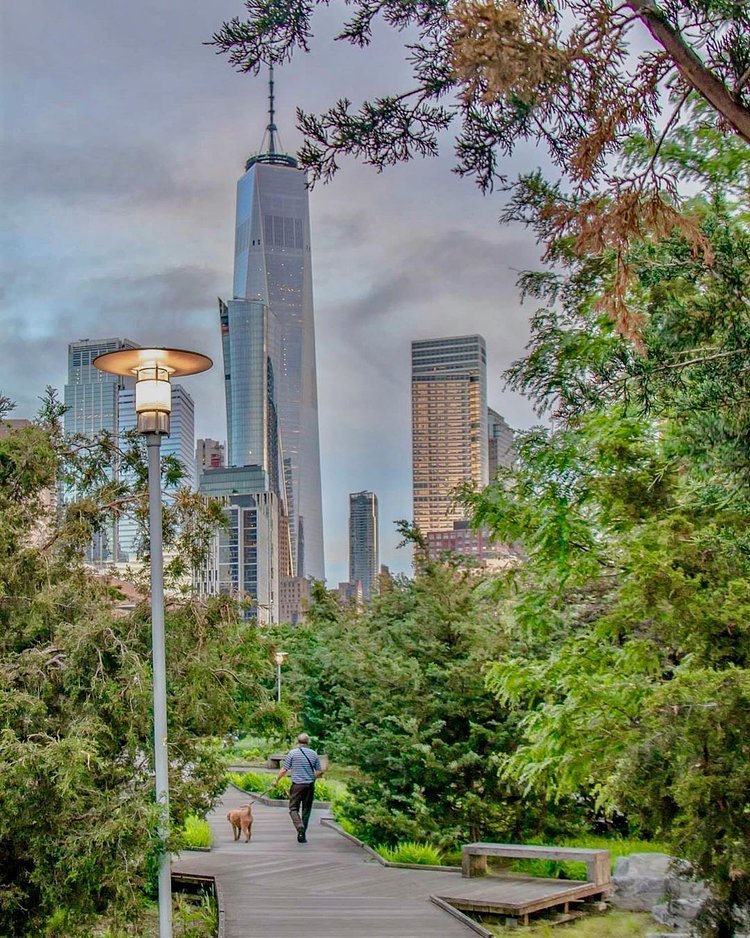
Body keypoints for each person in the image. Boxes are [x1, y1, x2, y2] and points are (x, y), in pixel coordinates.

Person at [276, 733, 323, 843]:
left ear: (298, 742)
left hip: (297, 785)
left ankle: (299, 826)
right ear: (308, 742)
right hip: (309, 786)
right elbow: (319, 772)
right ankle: (302, 835)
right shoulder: (314, 754)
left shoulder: (292, 753)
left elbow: (284, 769)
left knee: (293, 809)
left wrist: (277, 779)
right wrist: (312, 777)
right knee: (306, 810)